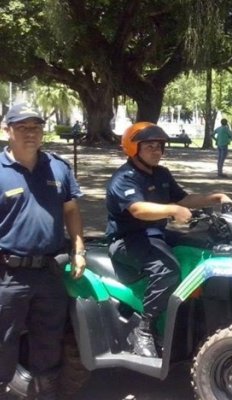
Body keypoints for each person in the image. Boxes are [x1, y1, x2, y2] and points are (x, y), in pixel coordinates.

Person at [106, 122, 232, 358]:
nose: (156, 151)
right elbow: (138, 209)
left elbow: (183, 198)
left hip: (156, 234)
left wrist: (214, 197)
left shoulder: (161, 174)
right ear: (134, 149)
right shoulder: (124, 178)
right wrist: (172, 211)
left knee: (204, 246)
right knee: (167, 268)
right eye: (149, 146)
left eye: (159, 147)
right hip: (127, 240)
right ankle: (145, 329)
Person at [0, 103, 86, 400]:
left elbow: (72, 211)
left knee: (48, 343)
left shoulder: (58, 167)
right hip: (8, 275)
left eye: (35, 127)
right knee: (3, 342)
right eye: (22, 127)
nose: (30, 133)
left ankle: (43, 396)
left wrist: (79, 248)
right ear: (7, 131)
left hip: (50, 273)